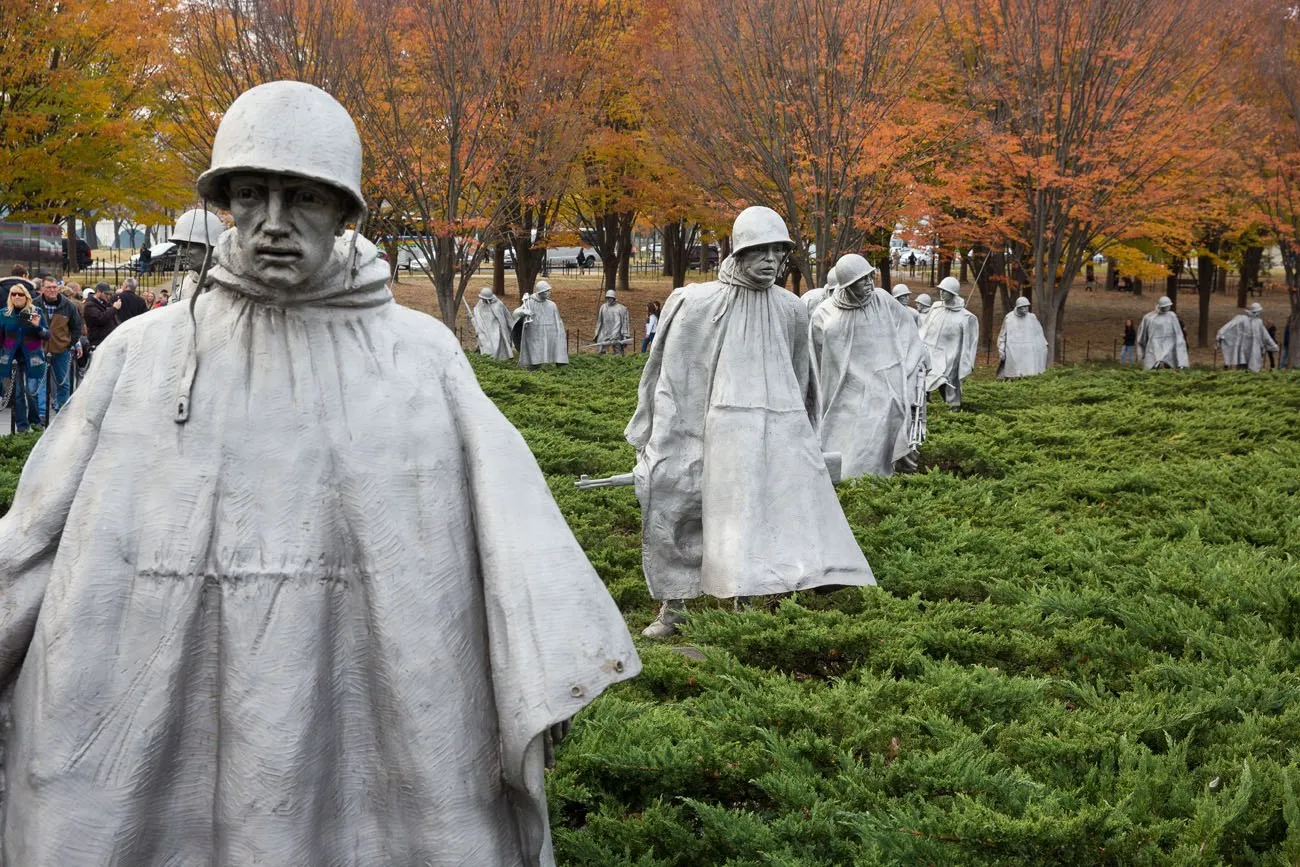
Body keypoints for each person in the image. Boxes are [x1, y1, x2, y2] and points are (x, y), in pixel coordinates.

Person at [0, 80, 639, 865]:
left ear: (344, 213)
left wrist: (537, 662)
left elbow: (515, 535)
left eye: (301, 196)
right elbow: (33, 536)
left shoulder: (418, 357)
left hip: (366, 711)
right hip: (157, 718)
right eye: (249, 194)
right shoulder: (142, 355)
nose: (271, 222)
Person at [625, 206, 875, 638]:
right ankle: (675, 606)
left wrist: (797, 439)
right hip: (697, 428)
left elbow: (802, 379)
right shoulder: (696, 302)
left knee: (756, 513)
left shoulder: (791, 310)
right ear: (739, 251)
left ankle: (748, 600)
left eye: (779, 253)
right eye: (761, 251)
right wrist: (662, 436)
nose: (771, 261)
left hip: (766, 435)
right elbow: (673, 376)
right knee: (679, 504)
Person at [811, 254, 928, 479]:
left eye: (869, 277)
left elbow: (908, 332)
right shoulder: (825, 314)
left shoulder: (883, 300)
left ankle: (880, 484)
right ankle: (853, 487)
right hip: (845, 394)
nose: (868, 284)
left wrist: (914, 364)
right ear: (846, 285)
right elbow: (816, 360)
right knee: (847, 447)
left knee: (883, 438)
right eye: (861, 280)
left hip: (886, 388)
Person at [919, 276, 979, 408]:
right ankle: (923, 404)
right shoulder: (935, 308)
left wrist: (966, 361)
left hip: (950, 356)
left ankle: (953, 407)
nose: (941, 293)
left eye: (944, 291)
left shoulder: (965, 317)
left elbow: (970, 342)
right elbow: (925, 329)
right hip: (931, 352)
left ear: (953, 293)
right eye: (940, 290)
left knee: (948, 382)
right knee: (925, 378)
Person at [0, 280, 48, 432]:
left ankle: (35, 422)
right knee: (19, 393)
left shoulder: (35, 312)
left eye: (19, 294)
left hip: (32, 359)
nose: (16, 297)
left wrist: (37, 326)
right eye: (13, 294)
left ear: (26, 297)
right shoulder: (4, 314)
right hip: (12, 360)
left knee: (31, 391)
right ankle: (22, 426)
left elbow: (47, 335)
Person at [37, 274, 84, 415]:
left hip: (61, 348)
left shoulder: (68, 305)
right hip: (39, 349)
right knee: (40, 383)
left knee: (63, 382)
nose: (52, 290)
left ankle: (61, 410)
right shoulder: (34, 304)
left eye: (54, 287)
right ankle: (41, 413)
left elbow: (77, 327)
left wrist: (70, 344)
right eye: (48, 287)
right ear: (42, 289)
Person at [168, 208, 227, 304]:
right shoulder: (187, 283)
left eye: (188, 247)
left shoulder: (227, 285)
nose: (181, 253)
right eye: (179, 247)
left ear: (211, 248)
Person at [513, 279, 569, 369]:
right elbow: (515, 313)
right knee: (535, 352)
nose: (549, 293)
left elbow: (558, 321)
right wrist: (523, 312)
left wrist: (559, 333)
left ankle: (554, 367)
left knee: (548, 349)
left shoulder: (552, 305)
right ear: (540, 292)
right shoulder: (529, 302)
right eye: (546, 291)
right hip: (533, 333)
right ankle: (533, 367)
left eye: (549, 290)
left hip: (548, 332)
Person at [996, 296, 1048, 379]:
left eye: (1027, 306)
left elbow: (1038, 333)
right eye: (1023, 307)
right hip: (1013, 351)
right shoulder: (1009, 318)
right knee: (1014, 374)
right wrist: (1001, 349)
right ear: (1018, 307)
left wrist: (1043, 345)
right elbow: (1003, 335)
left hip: (1029, 351)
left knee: (1029, 374)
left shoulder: (1032, 317)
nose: (1025, 309)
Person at [1216, 302, 1277, 372]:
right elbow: (1230, 325)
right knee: (1242, 366)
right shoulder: (1242, 319)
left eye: (1258, 312)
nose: (1257, 314)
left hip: (1254, 348)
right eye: (1256, 312)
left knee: (1253, 366)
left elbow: (1266, 335)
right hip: (1243, 348)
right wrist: (1221, 333)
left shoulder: (1259, 322)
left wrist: (1273, 345)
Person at [1136, 296, 1189, 369]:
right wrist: (1141, 353)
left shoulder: (1172, 316)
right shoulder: (1149, 317)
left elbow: (1179, 336)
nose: (1167, 308)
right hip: (1154, 348)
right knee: (1153, 366)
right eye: (1165, 306)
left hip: (1169, 348)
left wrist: (1182, 362)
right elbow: (1142, 337)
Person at [469, 286, 514, 361]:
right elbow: (477, 313)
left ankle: (499, 361)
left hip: (496, 329)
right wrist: (475, 321)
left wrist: (512, 327)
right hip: (485, 329)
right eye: (482, 298)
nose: (483, 300)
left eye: (485, 299)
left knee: (496, 346)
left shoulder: (498, 304)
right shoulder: (480, 303)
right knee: (487, 346)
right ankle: (488, 360)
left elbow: (507, 316)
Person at [593, 289, 630, 354]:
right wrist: (597, 333)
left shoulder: (621, 309)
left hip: (616, 334)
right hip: (604, 333)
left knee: (618, 352)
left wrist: (625, 335)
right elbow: (599, 321)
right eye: (607, 298)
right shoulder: (603, 307)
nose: (608, 299)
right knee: (601, 351)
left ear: (614, 298)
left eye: (610, 298)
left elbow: (625, 323)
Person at [83, 281, 118, 348]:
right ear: (98, 292)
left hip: (107, 340)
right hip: (98, 341)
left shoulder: (105, 303)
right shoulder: (90, 305)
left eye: (109, 294)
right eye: (106, 294)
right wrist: (114, 308)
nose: (108, 296)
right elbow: (101, 319)